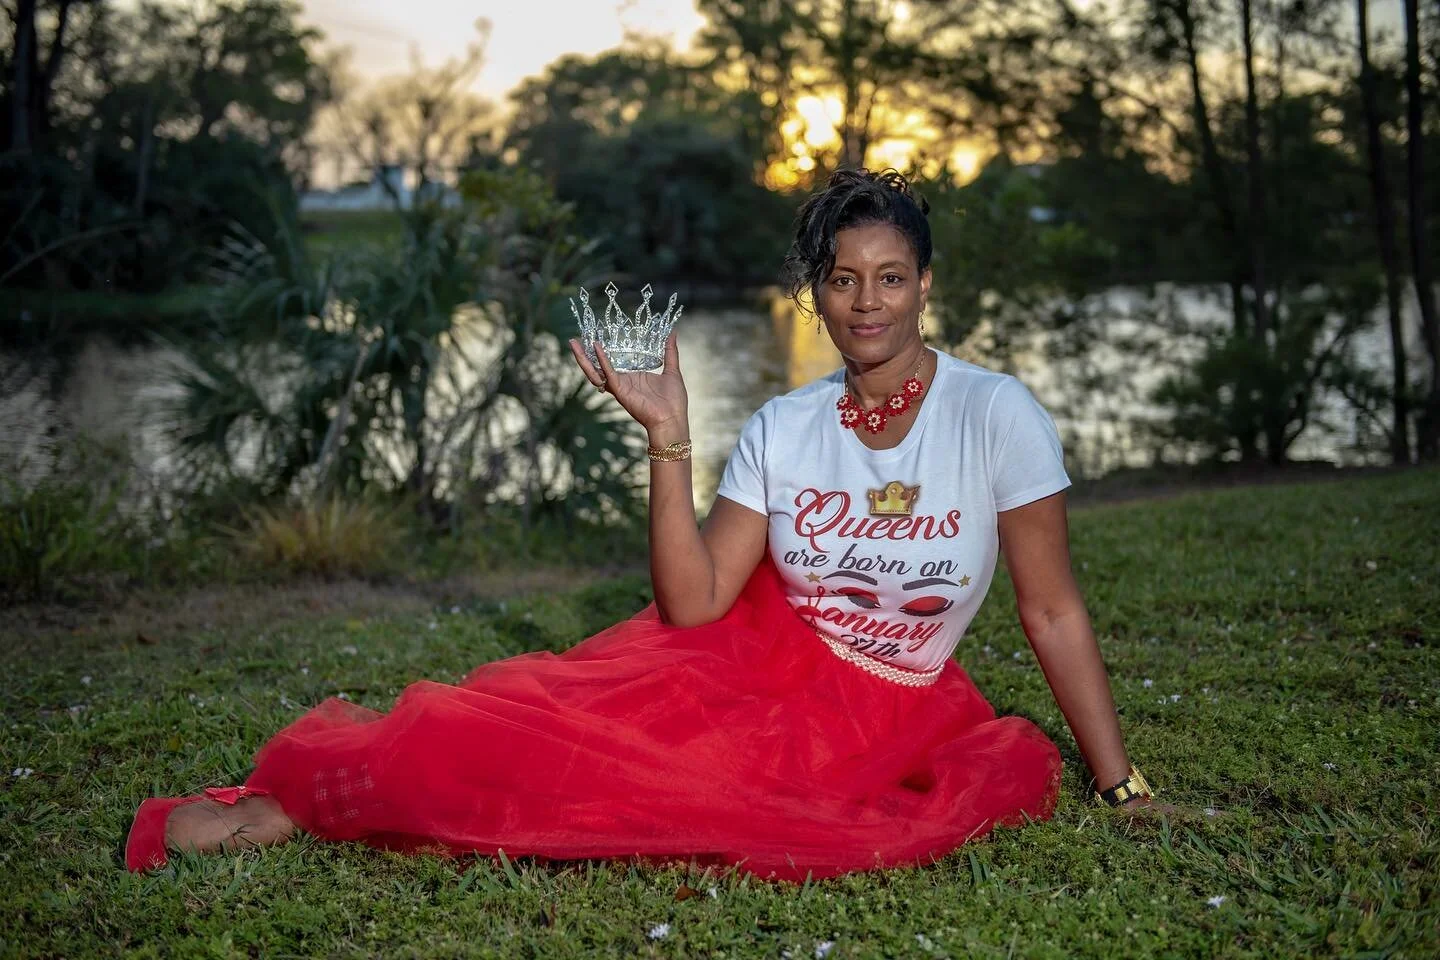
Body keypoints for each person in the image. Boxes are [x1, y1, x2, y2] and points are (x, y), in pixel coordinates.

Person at [126, 168, 1168, 882]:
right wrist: (669, 436)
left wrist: (1119, 786)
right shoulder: (785, 426)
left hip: (899, 707)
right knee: (552, 738)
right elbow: (695, 598)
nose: (866, 303)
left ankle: (326, 809)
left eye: (889, 278)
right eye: (843, 279)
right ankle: (308, 798)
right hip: (748, 664)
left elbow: (1051, 610)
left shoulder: (996, 416)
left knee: (692, 806)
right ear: (817, 291)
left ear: (925, 285)